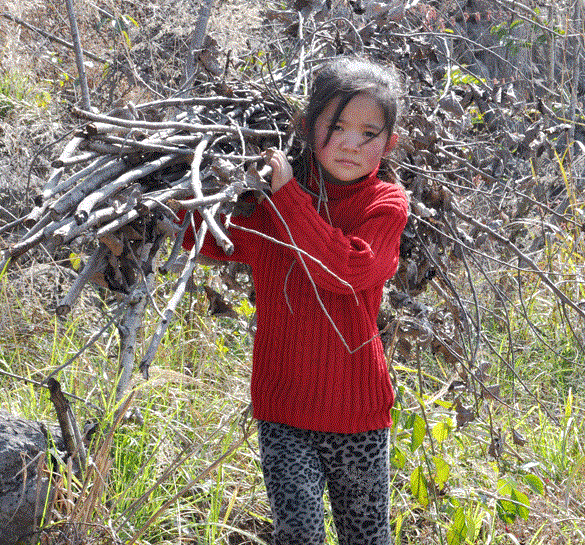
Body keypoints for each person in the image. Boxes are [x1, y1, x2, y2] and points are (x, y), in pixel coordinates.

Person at [182, 56, 409, 545]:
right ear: (307, 127)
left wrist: (287, 194)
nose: (352, 143)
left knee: (366, 537)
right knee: (299, 537)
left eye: (370, 133)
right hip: (283, 407)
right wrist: (179, 187)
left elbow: (345, 271)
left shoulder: (385, 205)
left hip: (357, 411)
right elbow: (203, 236)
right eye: (337, 126)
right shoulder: (267, 202)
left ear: (389, 144)